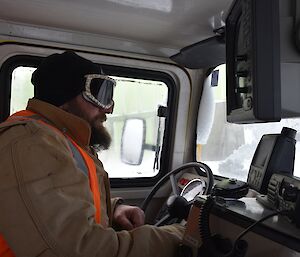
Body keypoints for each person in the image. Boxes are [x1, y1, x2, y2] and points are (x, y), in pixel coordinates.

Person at [0, 51, 184, 257]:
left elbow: (54, 205)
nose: (108, 108)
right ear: (64, 95)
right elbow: (79, 250)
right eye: (100, 95)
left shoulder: (59, 138)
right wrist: (179, 236)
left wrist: (112, 210)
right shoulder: (30, 142)